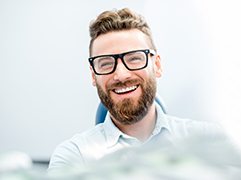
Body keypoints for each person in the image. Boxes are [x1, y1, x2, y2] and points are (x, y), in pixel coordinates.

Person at [48, 8, 221, 173]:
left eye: (134, 59)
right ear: (94, 76)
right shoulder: (74, 157)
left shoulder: (210, 140)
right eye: (106, 63)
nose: (121, 75)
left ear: (157, 65)